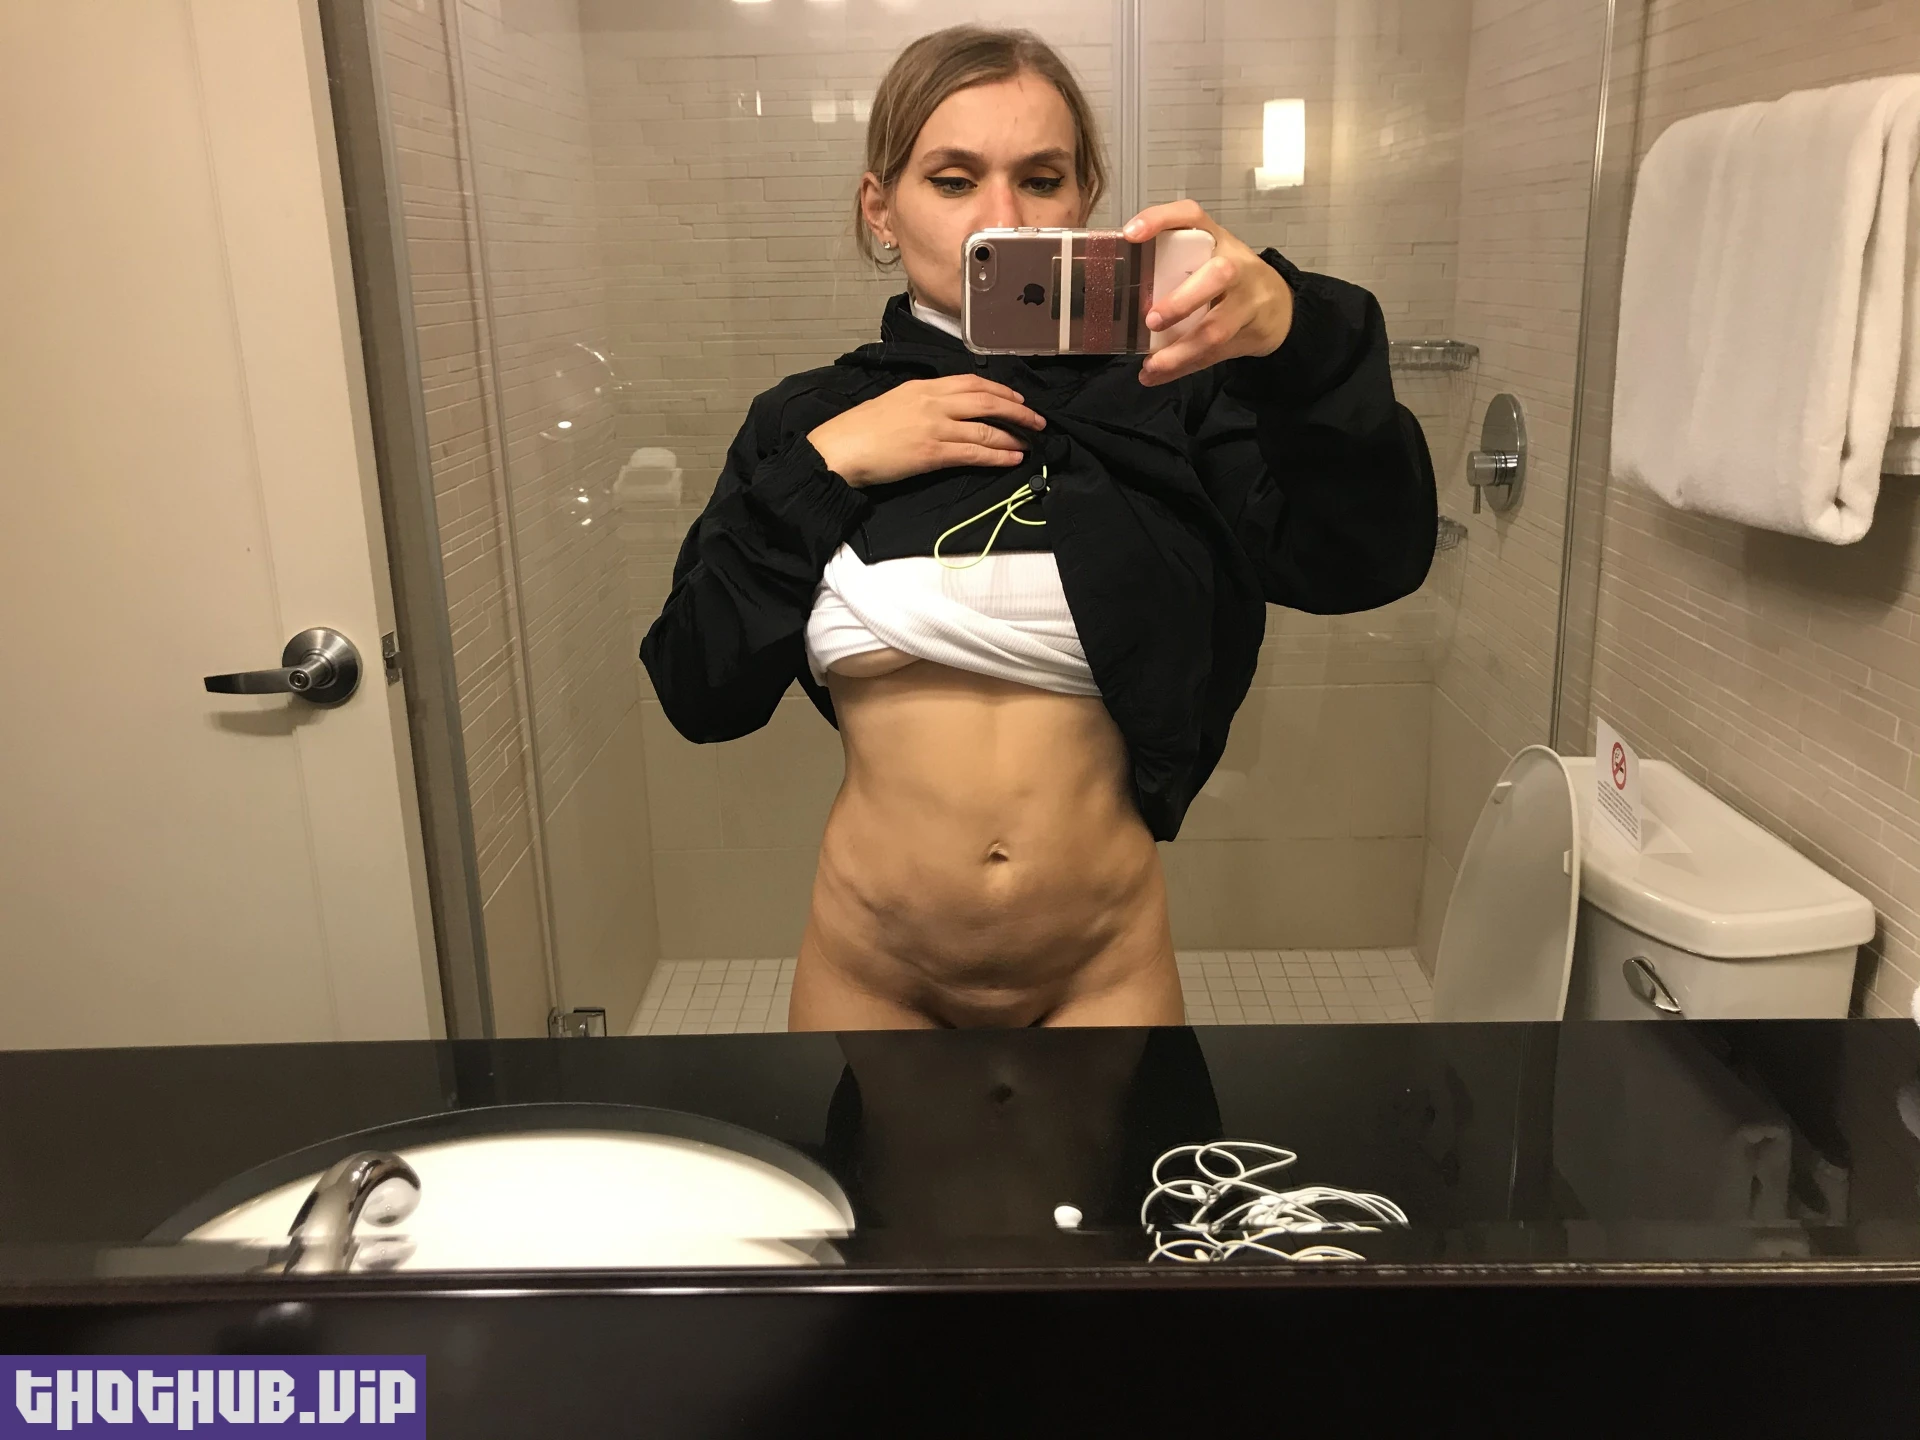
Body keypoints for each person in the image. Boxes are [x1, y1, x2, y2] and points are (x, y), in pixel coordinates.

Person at [642, 25, 1436, 1031]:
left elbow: (1368, 559)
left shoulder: (1173, 398)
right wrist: (827, 468)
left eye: (1042, 179)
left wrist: (1297, 338)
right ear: (880, 207)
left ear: (1085, 198)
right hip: (870, 979)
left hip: (1106, 976)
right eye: (953, 180)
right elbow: (700, 689)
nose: (1003, 220)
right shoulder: (809, 423)